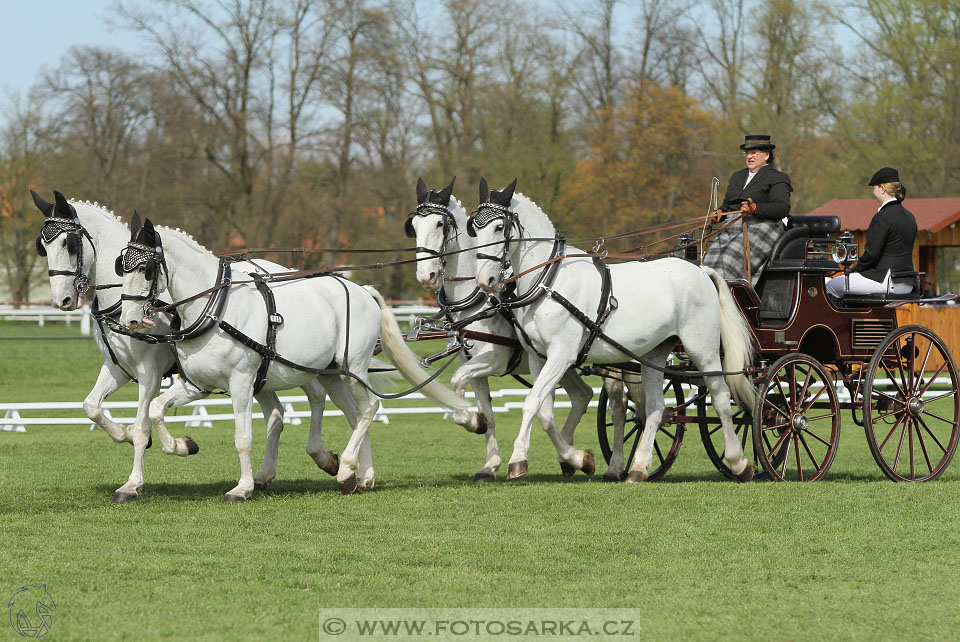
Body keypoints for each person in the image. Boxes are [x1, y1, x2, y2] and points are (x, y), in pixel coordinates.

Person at [703, 134, 792, 284]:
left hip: (763, 225)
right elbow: (728, 204)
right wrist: (719, 213)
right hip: (733, 225)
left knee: (728, 261)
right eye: (747, 153)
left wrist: (755, 208)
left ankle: (733, 299)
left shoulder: (777, 177)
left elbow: (782, 208)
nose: (749, 156)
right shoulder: (737, 177)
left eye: (754, 152)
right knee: (709, 262)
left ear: (766, 155)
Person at [826, 167, 917, 297]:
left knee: (830, 286)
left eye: (874, 188)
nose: (873, 192)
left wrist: (853, 271)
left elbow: (871, 256)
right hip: (907, 283)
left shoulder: (882, 217)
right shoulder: (910, 216)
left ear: (882, 188)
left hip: (885, 280)